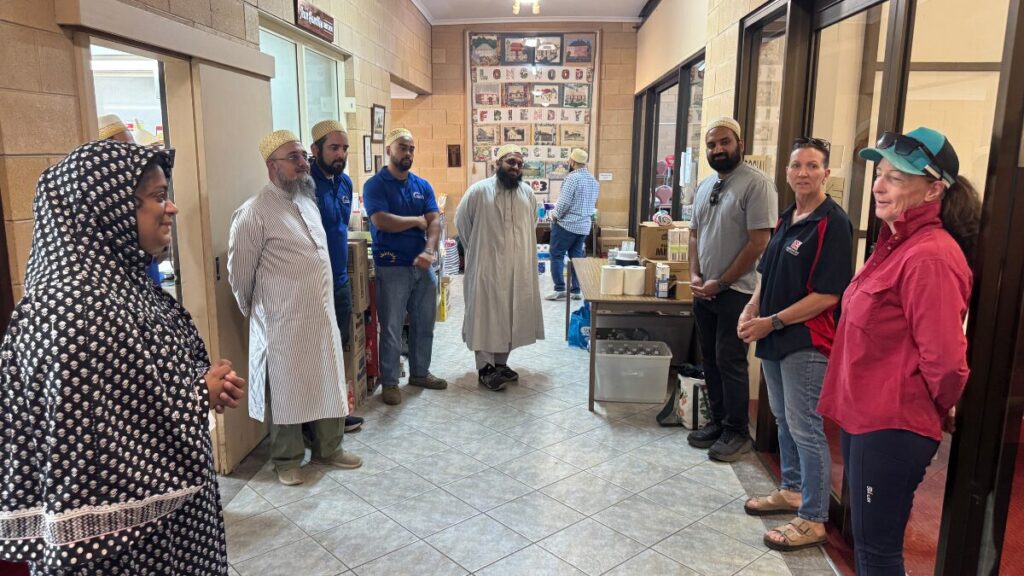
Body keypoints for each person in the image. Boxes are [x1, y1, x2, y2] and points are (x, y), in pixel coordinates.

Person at [0, 140, 245, 574]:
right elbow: (94, 446)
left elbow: (134, 385)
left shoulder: (121, 284)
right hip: (121, 550)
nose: (171, 208)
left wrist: (201, 382)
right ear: (107, 209)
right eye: (157, 197)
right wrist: (197, 398)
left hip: (167, 525)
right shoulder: (72, 307)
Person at [818, 127, 979, 574]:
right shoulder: (894, 245)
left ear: (933, 189)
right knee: (868, 545)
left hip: (891, 424)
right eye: (880, 174)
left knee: (877, 551)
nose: (879, 185)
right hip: (867, 417)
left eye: (897, 177)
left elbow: (946, 361)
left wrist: (938, 405)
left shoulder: (930, 256)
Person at [737, 137, 853, 551]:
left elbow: (828, 295)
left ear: (826, 173)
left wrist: (771, 322)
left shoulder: (832, 223)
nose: (803, 173)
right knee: (784, 419)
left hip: (805, 339)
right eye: (796, 165)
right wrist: (752, 307)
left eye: (812, 166)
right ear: (786, 172)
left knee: (806, 426)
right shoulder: (789, 216)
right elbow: (767, 274)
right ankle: (791, 490)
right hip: (773, 333)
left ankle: (814, 517)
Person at [228, 130, 361, 487]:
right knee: (287, 390)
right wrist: (261, 312)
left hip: (321, 316)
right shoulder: (254, 212)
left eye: (304, 156)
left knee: (328, 380)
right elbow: (239, 275)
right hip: (282, 322)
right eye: (294, 158)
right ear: (272, 166)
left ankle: (330, 448)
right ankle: (286, 459)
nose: (304, 164)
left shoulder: (307, 202)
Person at [687, 116, 778, 461]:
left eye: (725, 142)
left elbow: (759, 242)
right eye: (711, 144)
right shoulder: (706, 185)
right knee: (709, 359)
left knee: (731, 361)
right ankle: (719, 422)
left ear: (740, 144)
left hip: (737, 292)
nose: (718, 149)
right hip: (705, 291)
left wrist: (722, 281)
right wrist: (695, 274)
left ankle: (737, 431)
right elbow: (694, 233)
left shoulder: (757, 185)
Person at [362, 128, 447, 406]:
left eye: (411, 148)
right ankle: (390, 382)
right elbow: (381, 221)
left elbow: (434, 221)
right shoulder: (376, 185)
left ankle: (420, 373)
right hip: (392, 266)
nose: (408, 153)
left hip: (423, 266)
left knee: (424, 323)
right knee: (392, 327)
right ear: (389, 150)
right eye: (402, 147)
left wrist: (429, 250)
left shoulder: (422, 185)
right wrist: (415, 221)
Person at [456, 144, 545, 391]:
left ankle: (501, 363)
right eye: (510, 162)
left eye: (519, 164)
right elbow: (462, 223)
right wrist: (479, 251)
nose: (515, 167)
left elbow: (532, 223)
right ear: (498, 164)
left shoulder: (527, 193)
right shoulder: (478, 191)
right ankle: (485, 367)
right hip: (486, 267)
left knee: (510, 312)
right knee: (485, 313)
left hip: (518, 267)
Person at [309, 119, 363, 434]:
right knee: (316, 354)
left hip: (340, 282)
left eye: (344, 148)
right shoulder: (304, 185)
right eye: (333, 148)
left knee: (337, 349)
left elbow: (340, 227)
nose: (340, 154)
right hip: (313, 284)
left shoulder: (345, 184)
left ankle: (336, 415)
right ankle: (313, 423)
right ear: (315, 149)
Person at [546, 147, 599, 300]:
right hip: (583, 227)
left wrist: (554, 216)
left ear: (572, 161)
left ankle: (559, 289)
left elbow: (564, 203)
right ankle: (576, 290)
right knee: (576, 257)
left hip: (566, 225)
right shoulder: (593, 181)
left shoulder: (572, 178)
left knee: (557, 255)